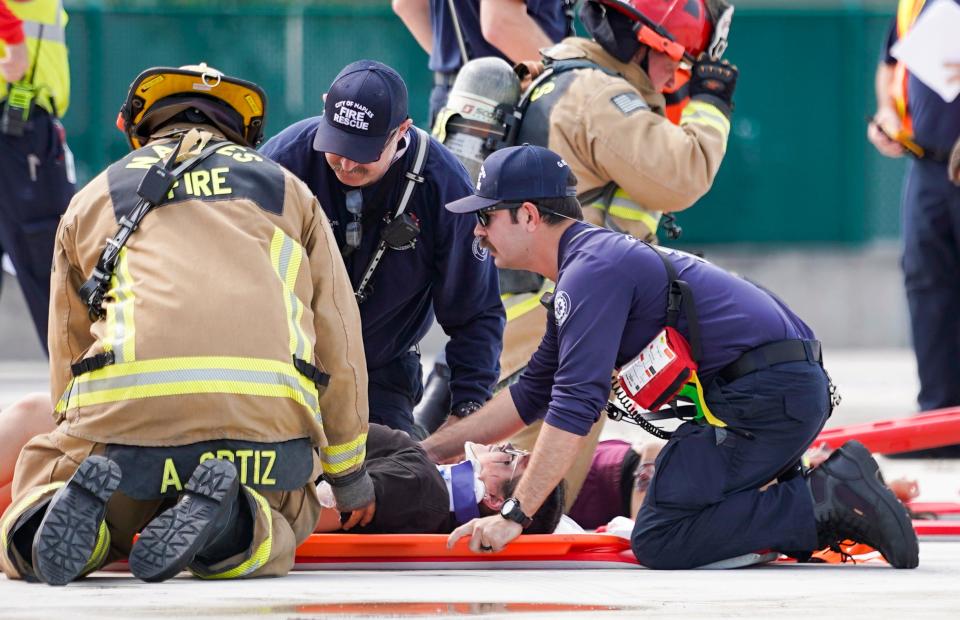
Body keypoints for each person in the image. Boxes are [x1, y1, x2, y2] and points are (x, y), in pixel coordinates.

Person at [424, 144, 919, 570]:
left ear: (528, 215)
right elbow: (532, 395)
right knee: (673, 506)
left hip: (766, 400)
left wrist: (515, 515)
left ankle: (827, 499)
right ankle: (826, 492)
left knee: (661, 535)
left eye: (485, 216)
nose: (478, 232)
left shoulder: (589, 273)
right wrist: (429, 452)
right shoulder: (585, 268)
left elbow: (573, 407)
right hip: (767, 396)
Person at [0, 63, 375, 585]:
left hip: (131, 424)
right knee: (284, 517)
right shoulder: (289, 191)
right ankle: (228, 525)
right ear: (242, 133)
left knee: (52, 476)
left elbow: (70, 346)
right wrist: (348, 471)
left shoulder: (94, 198)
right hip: (262, 429)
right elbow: (339, 339)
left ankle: (50, 528)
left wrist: (76, 438)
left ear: (137, 126)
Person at [260, 60, 504, 437]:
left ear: (401, 132)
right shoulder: (283, 162)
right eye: (336, 146)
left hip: (381, 370)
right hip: (281, 363)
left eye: (364, 152)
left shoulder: (444, 187)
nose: (346, 163)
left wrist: (467, 407)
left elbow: (476, 312)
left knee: (393, 479)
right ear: (325, 107)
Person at [866, 0, 960, 458]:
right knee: (928, 286)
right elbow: (890, 65)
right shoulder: (916, 4)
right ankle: (939, 425)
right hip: (927, 167)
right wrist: (887, 115)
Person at [314, 423, 564, 534]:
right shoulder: (427, 486)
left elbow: (313, 511)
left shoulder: (422, 488)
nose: (505, 444)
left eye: (509, 458)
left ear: (493, 499)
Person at [0, 0, 75, 351]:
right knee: (50, 260)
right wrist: (13, 38)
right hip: (19, 134)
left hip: (23, 128)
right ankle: (76, 390)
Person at [392, 0, 571, 126]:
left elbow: (407, 5)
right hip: (511, 102)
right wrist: (571, 77)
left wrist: (469, 76)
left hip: (453, 98)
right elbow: (500, 22)